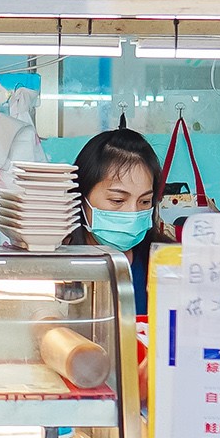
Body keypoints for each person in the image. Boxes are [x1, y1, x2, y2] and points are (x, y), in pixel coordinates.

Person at [64, 128, 173, 407]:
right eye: (117, 200)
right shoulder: (60, 264)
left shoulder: (165, 264)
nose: (132, 213)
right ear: (82, 199)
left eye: (144, 202)